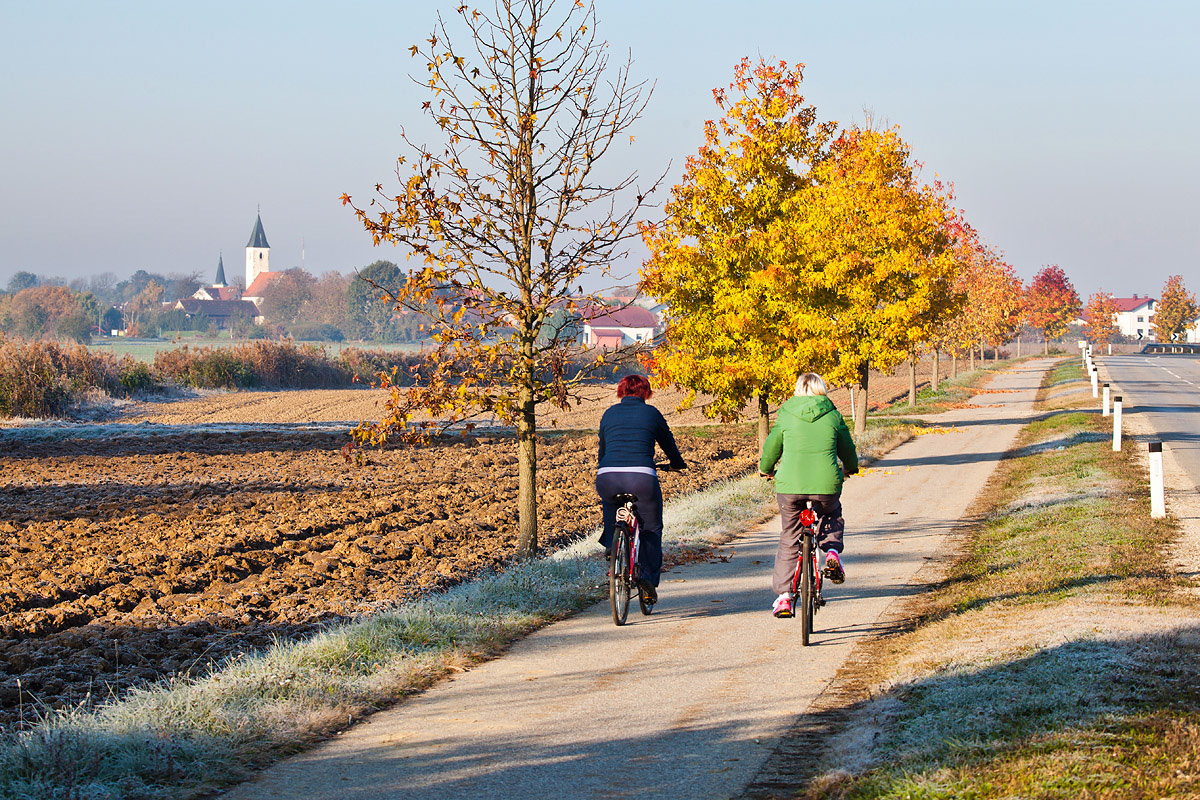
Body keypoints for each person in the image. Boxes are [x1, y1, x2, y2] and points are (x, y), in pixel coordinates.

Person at [759, 372, 858, 618]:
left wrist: (766, 469)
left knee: (789, 536)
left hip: (790, 486)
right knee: (831, 513)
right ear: (822, 389)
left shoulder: (786, 414)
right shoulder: (833, 415)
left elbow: (772, 447)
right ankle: (832, 552)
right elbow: (847, 449)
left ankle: (783, 597)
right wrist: (850, 468)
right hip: (826, 484)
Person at [597, 374, 687, 606]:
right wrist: (677, 463)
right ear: (646, 392)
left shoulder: (608, 414)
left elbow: (603, 450)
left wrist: (605, 468)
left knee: (610, 507)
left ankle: (611, 544)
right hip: (641, 478)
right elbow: (668, 443)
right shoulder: (652, 414)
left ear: (620, 391)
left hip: (608, 476)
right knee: (651, 528)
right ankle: (647, 580)